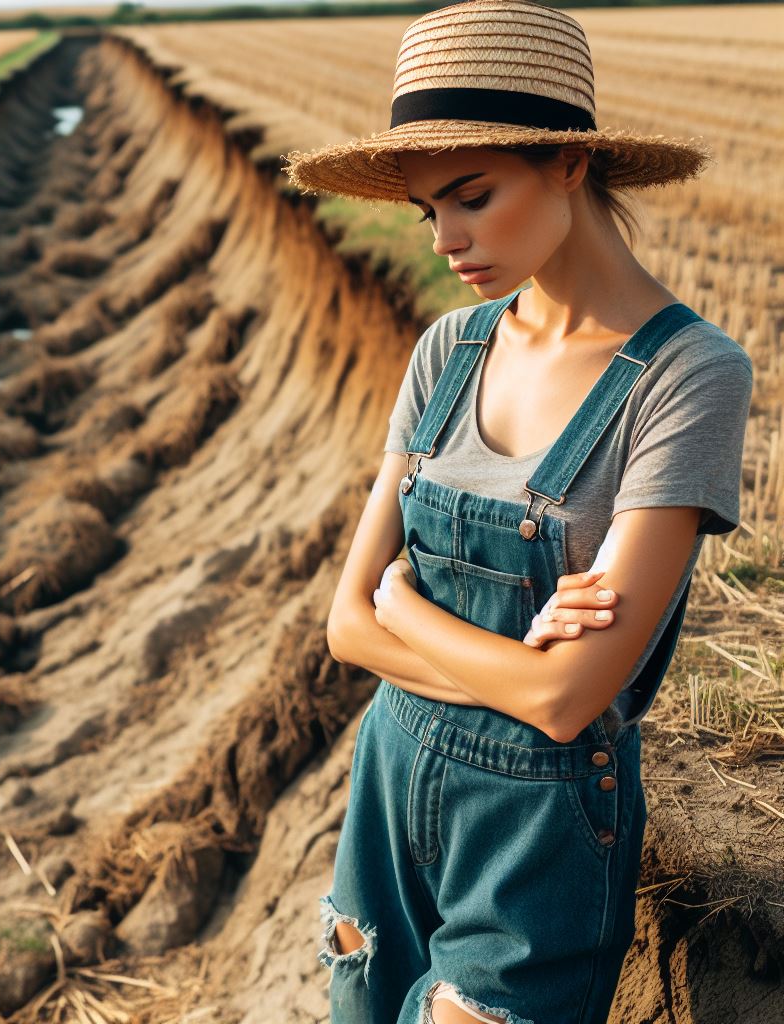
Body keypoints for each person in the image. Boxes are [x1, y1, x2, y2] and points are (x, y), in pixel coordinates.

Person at [282, 2, 754, 1023]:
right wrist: (508, 662)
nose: (447, 238)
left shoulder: (687, 375)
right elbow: (341, 623)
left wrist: (406, 609)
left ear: (569, 164)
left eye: (473, 196)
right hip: (388, 779)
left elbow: (568, 700)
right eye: (427, 211)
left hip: (537, 833)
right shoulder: (446, 349)